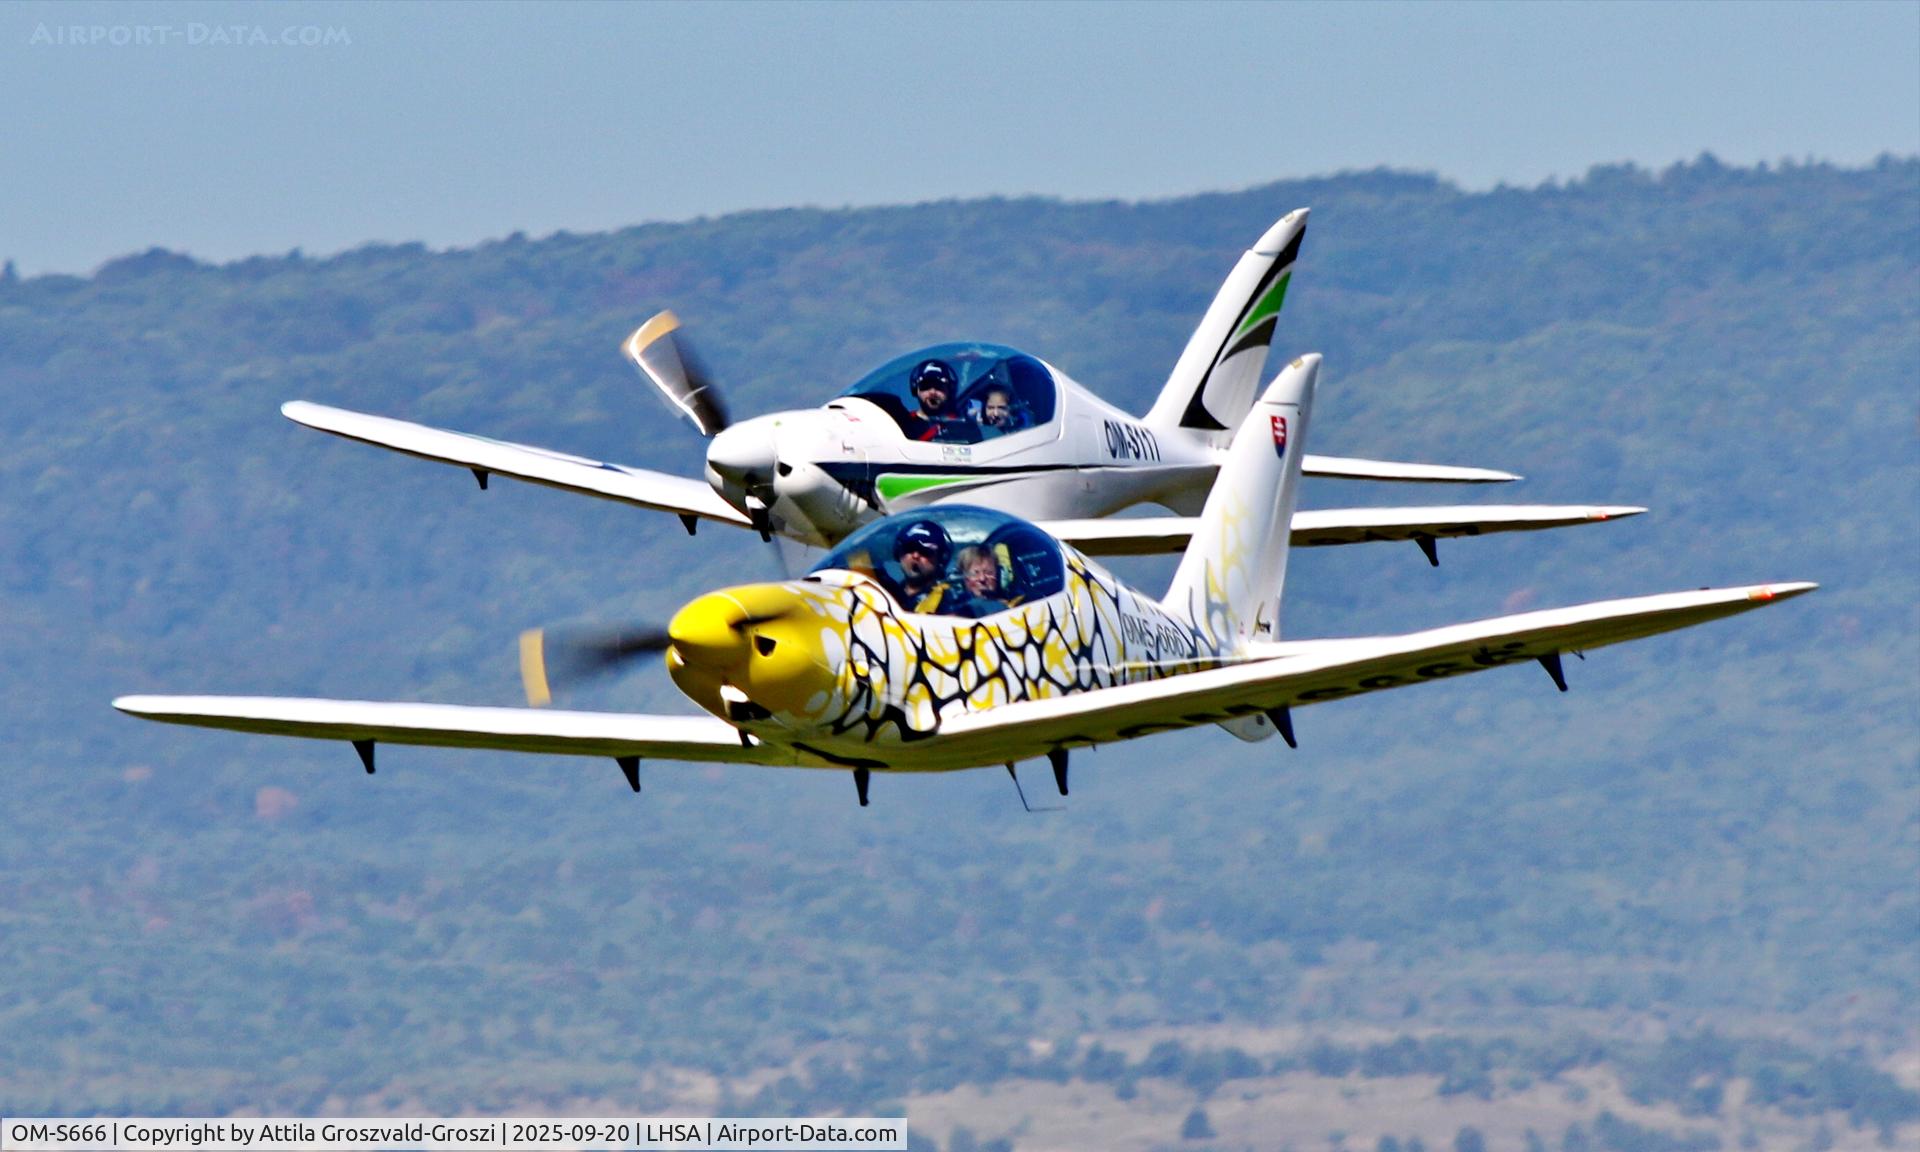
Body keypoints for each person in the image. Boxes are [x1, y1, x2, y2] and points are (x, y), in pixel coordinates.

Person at [889, 519, 957, 613]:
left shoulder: (950, 600)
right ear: (898, 553)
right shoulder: (886, 591)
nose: (915, 556)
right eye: (909, 548)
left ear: (941, 559)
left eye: (925, 551)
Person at [904, 359, 978, 443]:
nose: (932, 392)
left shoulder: (964, 425)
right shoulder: (904, 424)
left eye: (939, 386)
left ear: (950, 390)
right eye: (925, 386)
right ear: (915, 390)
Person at [953, 543, 1017, 616]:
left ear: (998, 574)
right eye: (975, 573)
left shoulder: (1013, 604)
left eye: (989, 573)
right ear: (964, 577)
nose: (982, 579)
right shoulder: (957, 609)